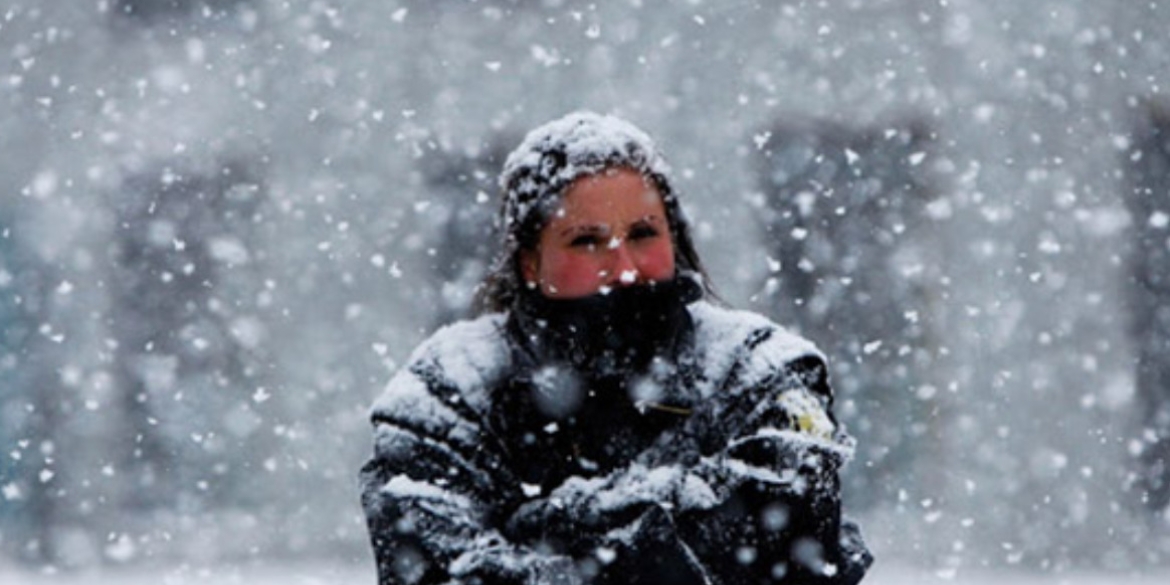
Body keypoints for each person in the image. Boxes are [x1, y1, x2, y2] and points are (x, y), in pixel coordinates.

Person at [360, 111, 873, 584]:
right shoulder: (448, 389)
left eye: (644, 234)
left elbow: (787, 539)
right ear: (530, 263)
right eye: (587, 240)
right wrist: (667, 535)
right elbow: (431, 570)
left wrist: (541, 527)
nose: (625, 267)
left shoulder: (762, 369)